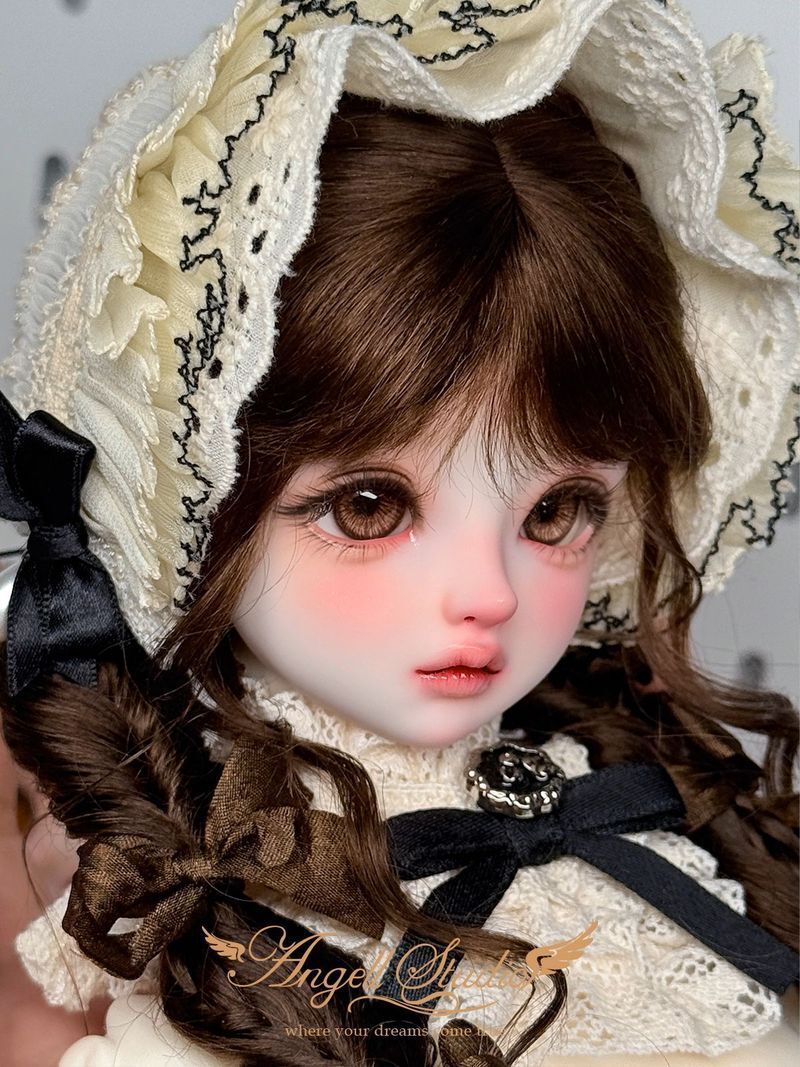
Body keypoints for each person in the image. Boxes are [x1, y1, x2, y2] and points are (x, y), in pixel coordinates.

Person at [0, 2, 798, 1065]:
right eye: (369, 506)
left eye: (554, 510)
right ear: (187, 496)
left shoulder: (647, 824)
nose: (489, 592)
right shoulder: (191, 901)